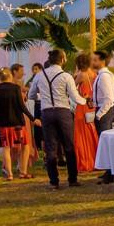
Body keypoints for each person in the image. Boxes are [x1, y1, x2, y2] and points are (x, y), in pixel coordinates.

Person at [25, 49, 87, 189]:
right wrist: (86, 101)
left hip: (46, 113)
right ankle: (72, 179)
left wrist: (42, 98)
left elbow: (31, 95)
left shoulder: (40, 75)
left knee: (51, 147)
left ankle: (54, 181)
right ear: (63, 59)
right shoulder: (66, 76)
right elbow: (75, 97)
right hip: (63, 112)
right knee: (69, 146)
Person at [0, 67, 30, 180]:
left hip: (2, 123)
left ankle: (10, 174)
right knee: (25, 146)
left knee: (5, 148)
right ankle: (23, 171)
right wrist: (32, 118)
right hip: (17, 123)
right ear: (10, 76)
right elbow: (22, 106)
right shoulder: (16, 88)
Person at [91, 52, 114, 184]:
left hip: (104, 111)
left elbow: (109, 98)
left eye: (95, 60)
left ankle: (111, 172)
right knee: (104, 142)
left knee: (106, 143)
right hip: (103, 109)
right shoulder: (101, 75)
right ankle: (108, 170)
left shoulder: (104, 76)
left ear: (102, 61)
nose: (92, 62)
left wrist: (99, 114)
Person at [72, 53, 98, 174]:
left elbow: (71, 87)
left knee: (82, 134)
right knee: (92, 132)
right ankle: (95, 159)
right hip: (91, 106)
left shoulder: (81, 75)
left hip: (82, 106)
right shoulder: (94, 74)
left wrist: (75, 73)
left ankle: (85, 161)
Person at [11, 63, 37, 172]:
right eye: (21, 70)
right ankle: (19, 163)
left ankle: (22, 162)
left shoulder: (21, 83)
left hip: (24, 113)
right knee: (19, 139)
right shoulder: (13, 84)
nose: (23, 73)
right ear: (15, 72)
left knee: (27, 138)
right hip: (18, 114)